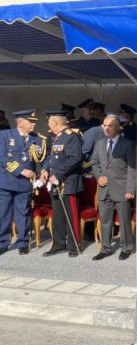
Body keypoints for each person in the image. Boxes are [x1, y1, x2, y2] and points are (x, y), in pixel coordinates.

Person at [0, 110, 46, 255]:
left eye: (34, 122)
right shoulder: (4, 135)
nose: (34, 124)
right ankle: (2, 242)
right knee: (3, 214)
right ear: (19, 123)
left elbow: (45, 158)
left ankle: (23, 242)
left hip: (25, 184)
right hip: (6, 181)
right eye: (30, 121)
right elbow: (2, 158)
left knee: (23, 213)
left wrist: (44, 170)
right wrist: (21, 170)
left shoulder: (37, 139)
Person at [91, 115, 136, 261]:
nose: (106, 128)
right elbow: (94, 163)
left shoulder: (127, 144)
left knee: (124, 220)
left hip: (122, 188)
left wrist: (130, 189)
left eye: (110, 126)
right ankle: (106, 248)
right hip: (104, 188)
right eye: (104, 125)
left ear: (118, 127)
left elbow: (132, 168)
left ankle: (126, 247)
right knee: (105, 220)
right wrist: (99, 176)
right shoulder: (100, 143)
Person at [40, 110, 83, 257]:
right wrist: (46, 170)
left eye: (49, 122)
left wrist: (57, 174)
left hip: (68, 183)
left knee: (71, 215)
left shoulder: (71, 137)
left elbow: (75, 158)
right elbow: (52, 158)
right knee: (58, 215)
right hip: (55, 183)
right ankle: (58, 245)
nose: (48, 125)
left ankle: (73, 246)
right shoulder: (56, 137)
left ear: (56, 123)